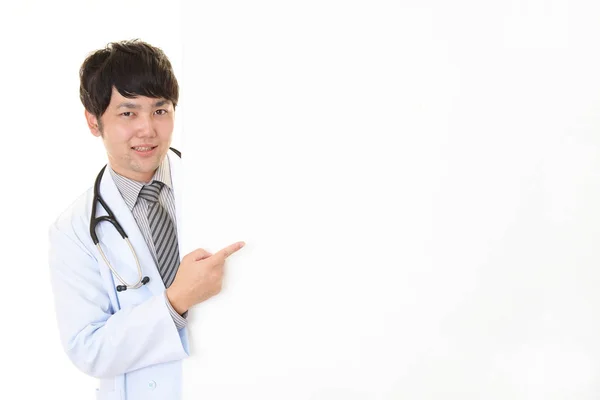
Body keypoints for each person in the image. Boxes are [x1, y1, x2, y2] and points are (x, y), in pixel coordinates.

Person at [47, 39, 245, 400]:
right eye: (128, 113)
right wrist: (175, 302)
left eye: (160, 110)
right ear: (93, 121)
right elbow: (87, 347)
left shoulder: (222, 186)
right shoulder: (73, 230)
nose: (148, 130)